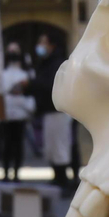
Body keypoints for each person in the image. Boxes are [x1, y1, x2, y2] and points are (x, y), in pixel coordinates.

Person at [30, 33, 75, 188]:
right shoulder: (46, 63)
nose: (41, 46)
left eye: (44, 42)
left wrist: (31, 84)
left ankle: (64, 182)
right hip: (49, 111)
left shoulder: (56, 63)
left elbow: (49, 85)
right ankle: (58, 178)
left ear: (52, 45)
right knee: (51, 148)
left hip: (58, 112)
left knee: (59, 148)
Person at [0, 43, 34, 182]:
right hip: (7, 114)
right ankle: (7, 172)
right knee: (7, 145)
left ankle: (15, 173)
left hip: (19, 114)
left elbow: (28, 93)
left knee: (17, 144)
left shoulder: (25, 74)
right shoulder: (3, 74)